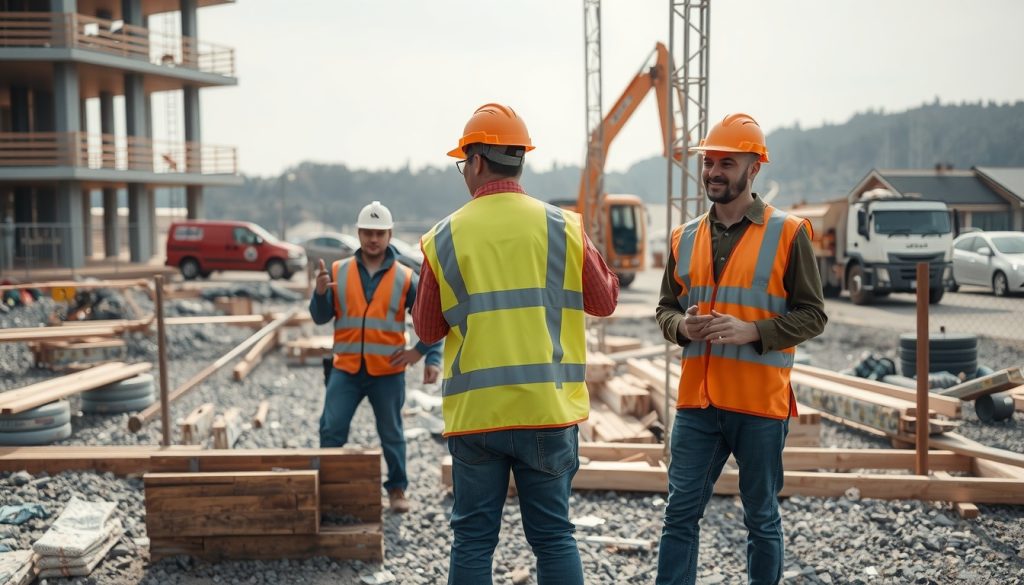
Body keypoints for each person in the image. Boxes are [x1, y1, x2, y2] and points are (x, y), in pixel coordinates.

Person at [413, 103, 619, 585]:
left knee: (472, 540)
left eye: (463, 163)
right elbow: (605, 300)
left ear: (477, 161)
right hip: (546, 409)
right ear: (520, 159)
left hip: (477, 416)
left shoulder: (443, 237)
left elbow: (426, 330)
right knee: (553, 537)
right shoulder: (563, 226)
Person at [654, 113, 828, 585]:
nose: (713, 171)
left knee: (761, 518)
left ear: (754, 168)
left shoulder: (789, 232)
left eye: (726, 163)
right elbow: (666, 308)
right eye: (708, 162)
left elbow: (814, 315)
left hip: (758, 405)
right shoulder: (683, 236)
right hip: (698, 404)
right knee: (679, 515)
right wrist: (682, 327)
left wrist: (753, 331)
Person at [309, 200, 442, 513]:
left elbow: (432, 318)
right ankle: (328, 488)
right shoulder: (338, 272)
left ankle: (397, 489)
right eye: (368, 232)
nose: (373, 239)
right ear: (358, 233)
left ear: (389, 235)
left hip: (387, 372)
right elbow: (320, 317)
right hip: (346, 369)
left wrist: (424, 354)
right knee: (331, 428)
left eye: (379, 233)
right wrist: (320, 293)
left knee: (392, 433)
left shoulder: (406, 277)